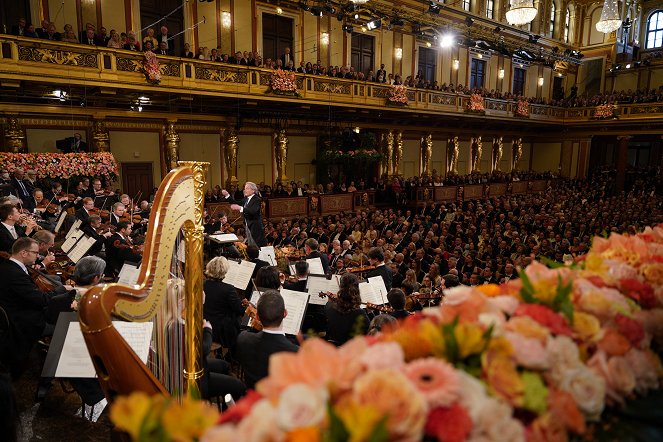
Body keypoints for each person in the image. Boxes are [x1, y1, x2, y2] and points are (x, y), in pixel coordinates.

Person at [0, 238, 73, 378]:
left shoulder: (9, 266)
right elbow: (42, 300)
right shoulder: (14, 274)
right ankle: (55, 367)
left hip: (19, 312)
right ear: (24, 253)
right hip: (24, 321)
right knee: (66, 322)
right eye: (35, 253)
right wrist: (63, 290)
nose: (38, 256)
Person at [236, 290, 298, 389]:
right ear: (285, 313)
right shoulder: (295, 352)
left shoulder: (243, 338)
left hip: (253, 399)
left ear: (257, 316)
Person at [202, 257, 244, 350]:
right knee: (237, 319)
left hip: (203, 324)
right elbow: (240, 310)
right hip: (219, 332)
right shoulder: (229, 289)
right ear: (224, 271)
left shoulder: (202, 284)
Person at [324, 273, 369, 345]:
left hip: (333, 347)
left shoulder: (329, 305)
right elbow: (367, 332)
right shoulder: (360, 313)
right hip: (351, 350)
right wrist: (370, 312)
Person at [221, 182, 267, 247]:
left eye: (247, 188)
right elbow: (236, 203)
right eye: (245, 188)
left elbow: (253, 211)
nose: (245, 190)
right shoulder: (246, 199)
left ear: (253, 190)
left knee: (256, 245)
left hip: (255, 226)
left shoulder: (257, 199)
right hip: (247, 225)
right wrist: (227, 195)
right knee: (251, 245)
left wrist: (240, 208)